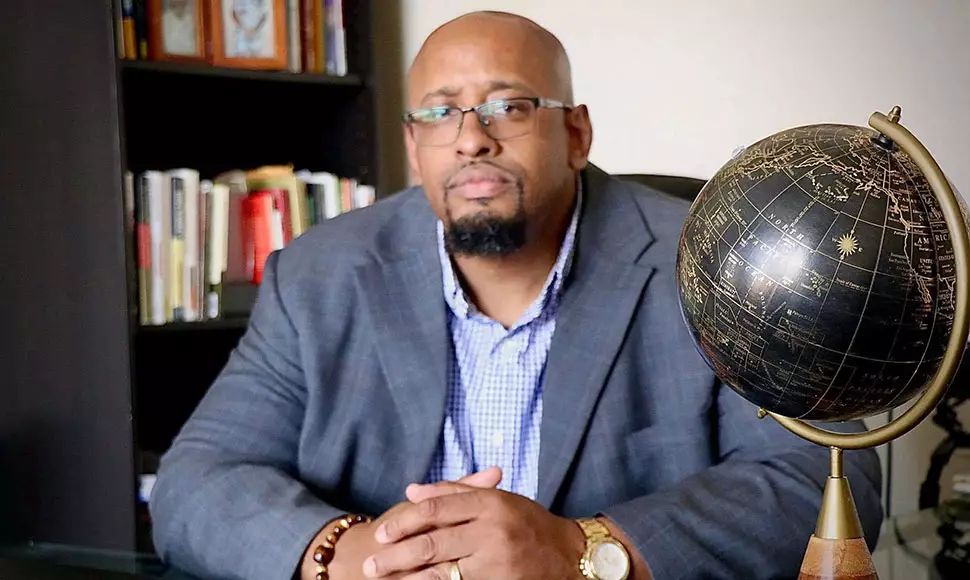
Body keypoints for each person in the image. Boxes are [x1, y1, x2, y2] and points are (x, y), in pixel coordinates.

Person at [148, 10, 883, 580]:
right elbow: (195, 481)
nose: (471, 139)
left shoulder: (716, 259)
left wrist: (582, 550)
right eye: (440, 112)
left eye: (509, 105)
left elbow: (822, 482)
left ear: (576, 132)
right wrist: (343, 554)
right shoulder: (319, 273)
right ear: (413, 146)